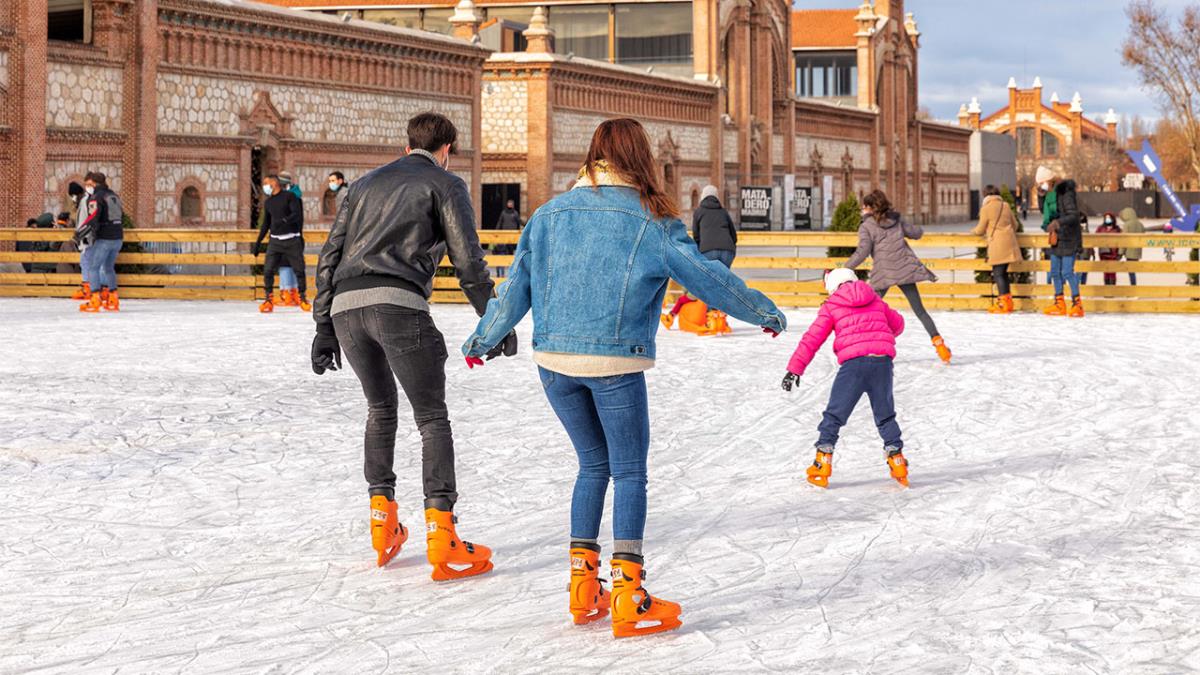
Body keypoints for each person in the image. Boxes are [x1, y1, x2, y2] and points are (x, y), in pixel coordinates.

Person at [462, 118, 787, 638]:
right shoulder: (652, 221)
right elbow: (707, 276)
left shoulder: (548, 215)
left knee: (593, 466)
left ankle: (582, 587)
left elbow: (514, 289)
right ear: (640, 159)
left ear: (594, 156)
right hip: (615, 365)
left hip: (554, 365)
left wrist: (482, 341)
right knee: (629, 472)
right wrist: (762, 311)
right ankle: (628, 594)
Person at [311, 112, 505, 577]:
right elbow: (468, 262)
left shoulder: (361, 185)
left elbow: (330, 255)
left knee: (380, 411)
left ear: (407, 146)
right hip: (398, 306)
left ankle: (383, 525)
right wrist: (493, 319)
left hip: (346, 310)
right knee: (431, 418)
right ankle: (443, 534)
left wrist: (323, 326)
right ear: (447, 149)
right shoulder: (445, 183)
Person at [782, 268, 909, 489]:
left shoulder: (832, 305)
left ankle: (822, 462)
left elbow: (812, 339)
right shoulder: (874, 298)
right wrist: (877, 332)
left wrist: (795, 369)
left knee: (834, 415)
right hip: (882, 363)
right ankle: (897, 461)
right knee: (885, 415)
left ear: (832, 287)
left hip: (854, 366)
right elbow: (898, 324)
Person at [845, 189, 951, 364]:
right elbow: (917, 233)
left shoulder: (866, 226)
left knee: (867, 310)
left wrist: (844, 268)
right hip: (904, 269)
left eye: (863, 206)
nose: (861, 209)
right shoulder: (896, 220)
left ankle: (861, 347)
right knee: (920, 311)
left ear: (869, 208)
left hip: (883, 273)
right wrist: (910, 225)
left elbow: (862, 252)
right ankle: (940, 346)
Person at [660, 184, 738, 331]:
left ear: (702, 196)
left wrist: (700, 253)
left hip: (708, 251)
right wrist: (729, 248)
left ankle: (711, 318)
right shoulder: (723, 212)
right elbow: (733, 235)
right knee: (721, 285)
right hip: (727, 251)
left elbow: (696, 237)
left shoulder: (699, 212)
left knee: (709, 284)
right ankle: (719, 317)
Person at [252, 174, 308, 313]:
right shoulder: (269, 202)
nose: (265, 186)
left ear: (274, 183)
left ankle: (302, 298)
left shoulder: (290, 197)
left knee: (299, 270)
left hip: (292, 240)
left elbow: (296, 214)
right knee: (268, 270)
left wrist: (284, 221)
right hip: (275, 241)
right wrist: (258, 242)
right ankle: (268, 299)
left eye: (266, 183)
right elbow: (266, 224)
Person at [1036, 166, 1083, 317]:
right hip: (1056, 237)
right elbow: (1044, 212)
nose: (1041, 186)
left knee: (1067, 272)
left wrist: (1058, 223)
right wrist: (1041, 196)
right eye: (1039, 184)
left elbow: (1073, 215)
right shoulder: (1049, 195)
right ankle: (1059, 303)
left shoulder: (1065, 192)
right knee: (1055, 272)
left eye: (1042, 183)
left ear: (1050, 180)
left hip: (1069, 237)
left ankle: (1077, 304)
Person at [76, 172, 125, 313]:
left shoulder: (96, 197)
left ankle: (95, 299)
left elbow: (93, 218)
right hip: (118, 237)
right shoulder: (114, 196)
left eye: (89, 184)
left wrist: (80, 233)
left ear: (95, 183)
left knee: (93, 267)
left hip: (104, 237)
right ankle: (113, 298)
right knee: (109, 268)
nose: (88, 187)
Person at [972, 185, 1022, 314]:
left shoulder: (986, 208)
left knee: (998, 274)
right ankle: (1008, 303)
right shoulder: (1005, 205)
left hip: (997, 244)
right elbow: (1015, 225)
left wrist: (973, 231)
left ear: (985, 195)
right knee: (1003, 273)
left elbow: (980, 229)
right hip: (1009, 243)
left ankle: (1002, 303)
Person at [274, 172, 302, 307]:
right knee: (292, 264)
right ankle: (293, 294)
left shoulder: (289, 198)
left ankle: (287, 295)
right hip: (295, 235)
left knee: (285, 264)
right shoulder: (296, 196)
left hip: (286, 235)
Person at [65, 182, 92, 300]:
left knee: (86, 263)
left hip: (87, 238)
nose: (73, 199)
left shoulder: (85, 202)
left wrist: (82, 236)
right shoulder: (82, 202)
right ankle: (87, 287)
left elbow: (88, 221)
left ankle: (89, 289)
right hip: (84, 238)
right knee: (84, 263)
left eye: (73, 195)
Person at [1118, 207, 1143, 285]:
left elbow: (1124, 240)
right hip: (1138, 251)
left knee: (1131, 271)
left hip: (1129, 251)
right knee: (1132, 271)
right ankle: (1133, 285)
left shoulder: (1127, 225)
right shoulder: (1140, 224)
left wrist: (1120, 252)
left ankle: (1133, 286)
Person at [1096, 212, 1122, 286]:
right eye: (1106, 218)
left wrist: (1120, 253)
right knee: (1105, 271)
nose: (1107, 219)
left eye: (1109, 218)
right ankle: (1106, 287)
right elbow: (1095, 238)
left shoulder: (1117, 229)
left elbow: (1121, 240)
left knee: (1112, 271)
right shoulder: (1100, 228)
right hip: (1103, 253)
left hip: (1113, 253)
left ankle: (1112, 288)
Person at [1077, 214, 1095, 285]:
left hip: (1086, 253)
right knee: (1079, 271)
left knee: (1084, 272)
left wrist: (1092, 252)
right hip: (1079, 253)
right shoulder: (1076, 229)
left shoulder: (1087, 229)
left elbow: (1090, 241)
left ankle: (1083, 285)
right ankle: (1078, 286)